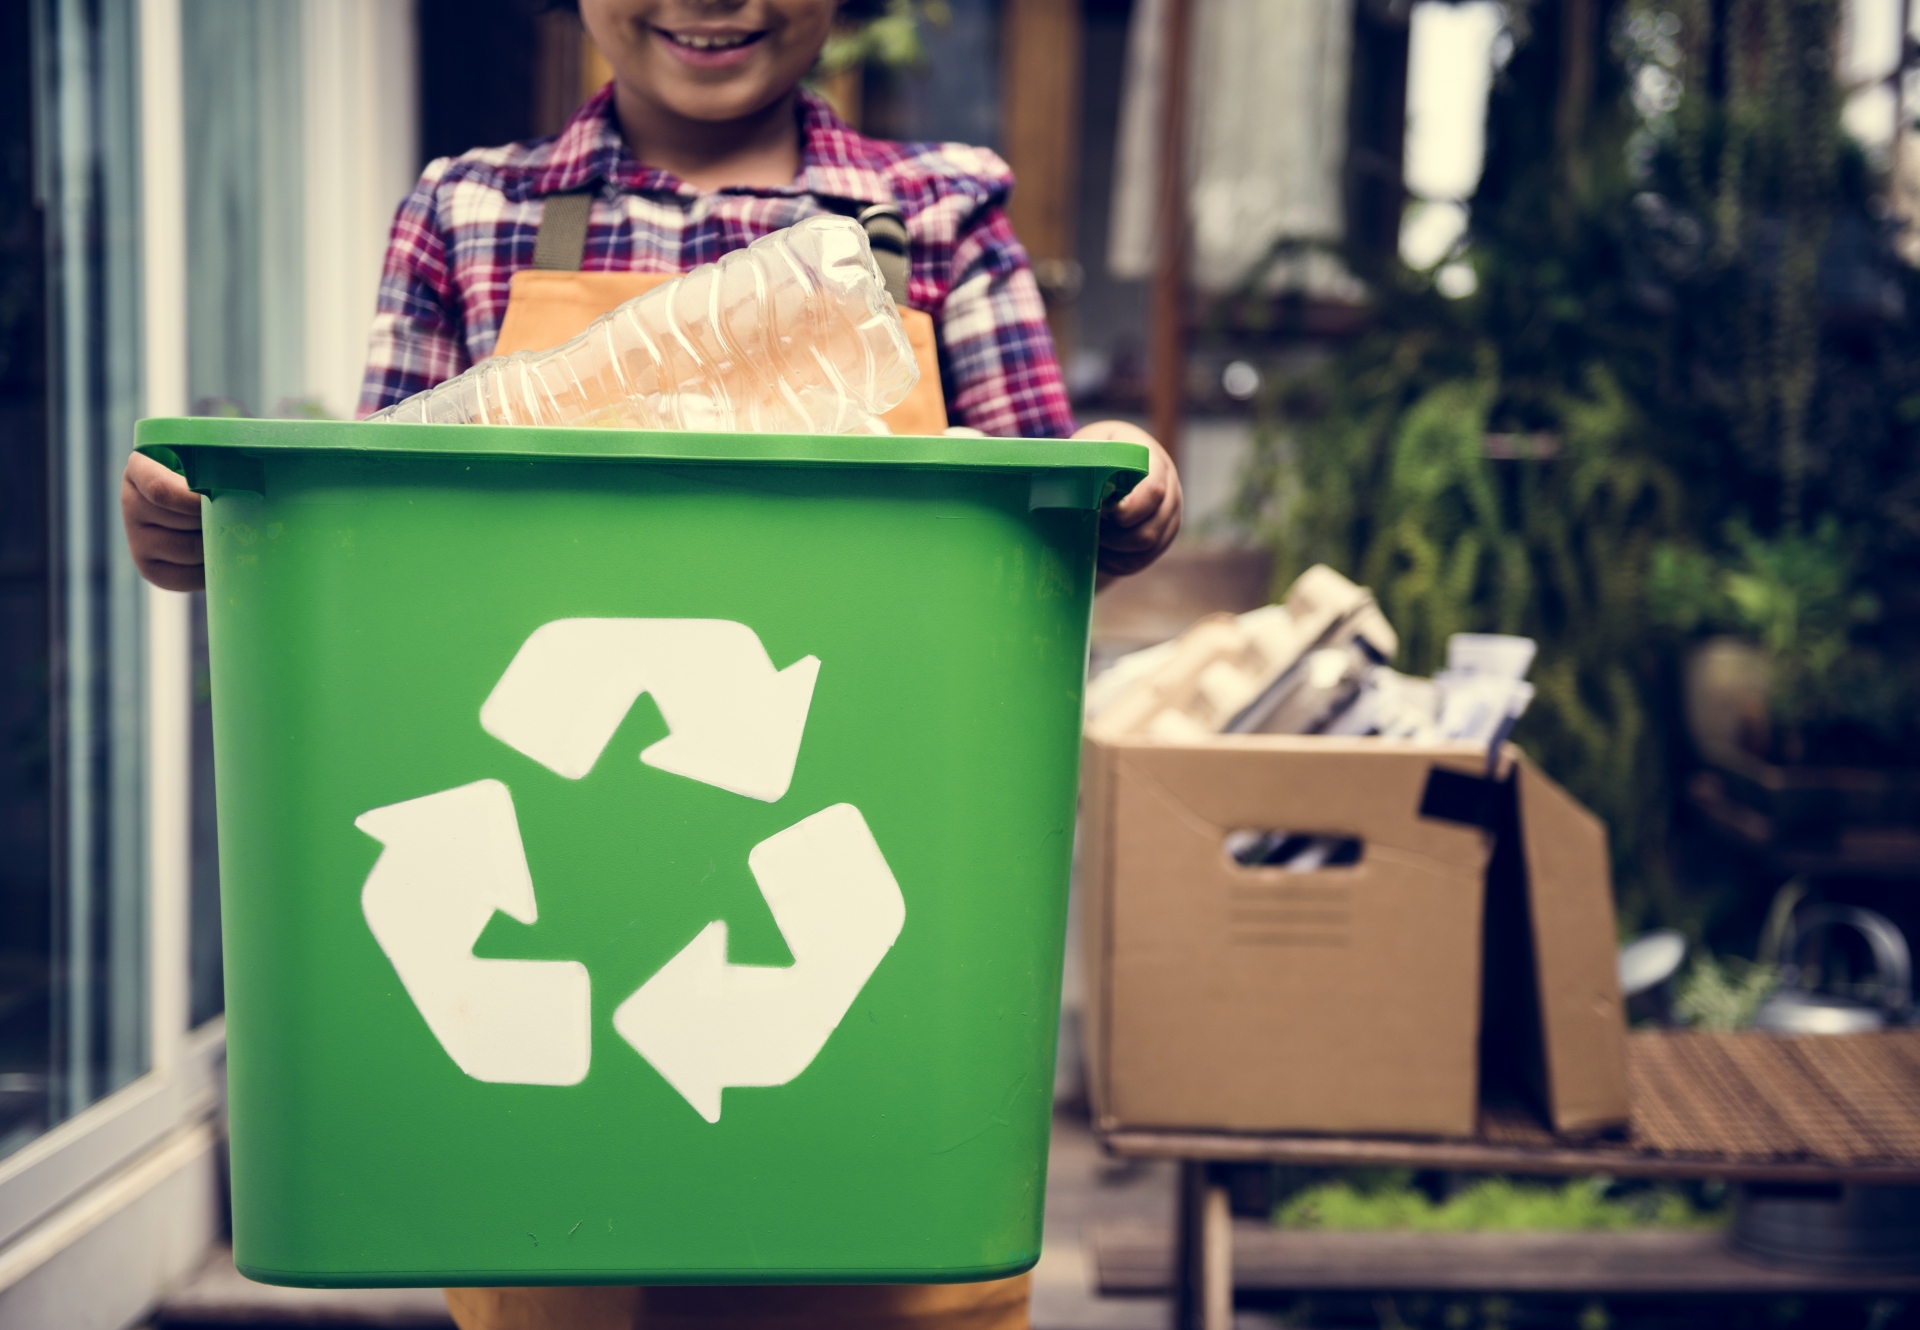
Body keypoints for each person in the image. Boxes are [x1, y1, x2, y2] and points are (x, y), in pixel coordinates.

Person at [119, 3, 1181, 1327]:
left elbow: (1039, 547)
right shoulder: (472, 214)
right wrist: (202, 540)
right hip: (553, 1019)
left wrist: (1129, 484)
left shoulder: (940, 217)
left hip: (875, 992)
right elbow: (381, 565)